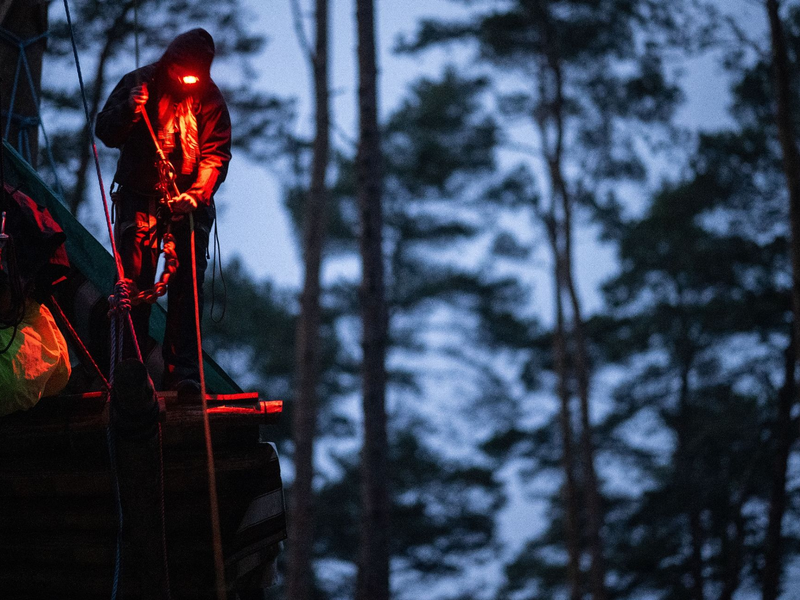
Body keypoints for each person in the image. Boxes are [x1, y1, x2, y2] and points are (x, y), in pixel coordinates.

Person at [96, 28, 231, 393]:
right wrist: (128, 109)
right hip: (140, 201)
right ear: (170, 62)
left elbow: (216, 154)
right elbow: (106, 131)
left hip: (187, 208)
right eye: (179, 71)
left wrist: (198, 193)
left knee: (187, 289)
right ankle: (127, 373)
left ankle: (184, 376)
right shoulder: (140, 82)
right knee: (132, 285)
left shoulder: (210, 99)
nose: (183, 80)